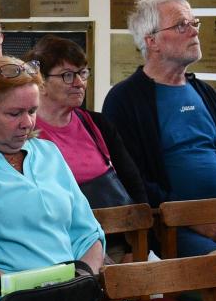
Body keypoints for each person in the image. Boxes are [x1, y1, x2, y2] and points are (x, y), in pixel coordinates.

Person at [101, 0, 216, 256]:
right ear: (152, 41)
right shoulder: (125, 99)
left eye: (194, 23)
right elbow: (132, 178)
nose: (194, 31)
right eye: (181, 25)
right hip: (169, 228)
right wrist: (192, 219)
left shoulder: (204, 92)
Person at [0, 55, 105, 280]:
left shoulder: (49, 153)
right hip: (6, 295)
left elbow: (88, 235)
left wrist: (82, 280)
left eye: (32, 111)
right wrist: (26, 292)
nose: (28, 123)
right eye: (14, 114)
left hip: (72, 290)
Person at [21, 36, 146, 210]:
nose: (80, 83)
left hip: (117, 224)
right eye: (68, 75)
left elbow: (133, 183)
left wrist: (142, 221)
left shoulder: (98, 124)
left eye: (83, 73)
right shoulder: (23, 131)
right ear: (40, 82)